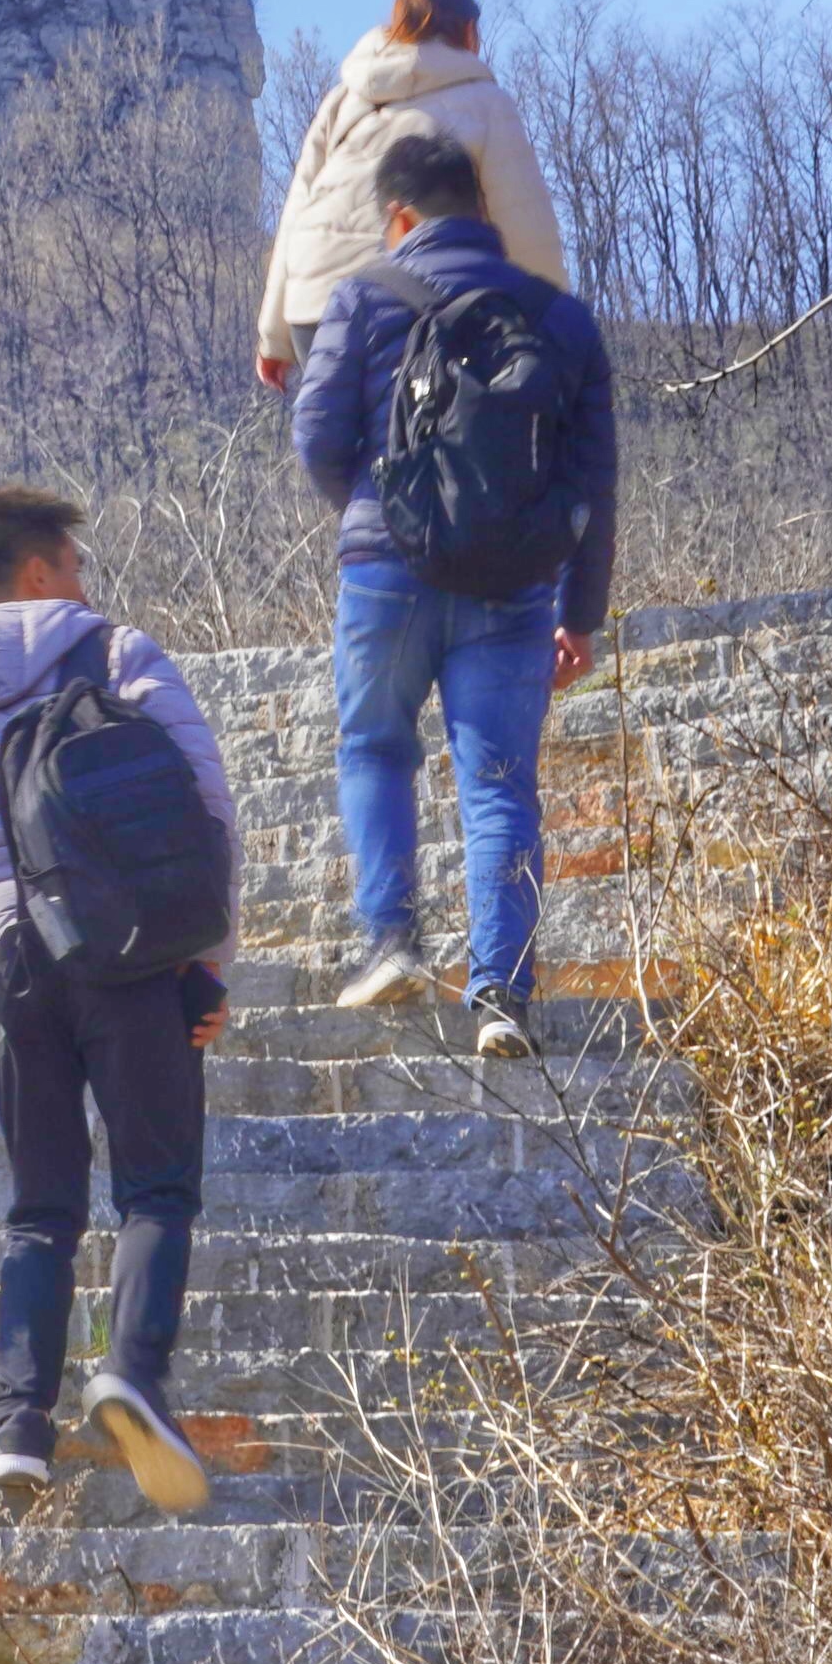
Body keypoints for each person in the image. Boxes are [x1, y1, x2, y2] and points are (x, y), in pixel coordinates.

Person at [0, 487, 238, 1512]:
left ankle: (18, 1428)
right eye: (71, 563)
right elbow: (204, 807)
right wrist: (207, 961)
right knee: (156, 1186)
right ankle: (132, 1375)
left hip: (4, 970)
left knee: (40, 1211)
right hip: (124, 942)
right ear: (36, 574)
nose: (82, 581)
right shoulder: (111, 652)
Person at [290, 129, 619, 1061]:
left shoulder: (363, 296)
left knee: (375, 747)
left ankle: (392, 942)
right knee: (502, 788)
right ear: (482, 208)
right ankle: (502, 994)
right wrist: (581, 615)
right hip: (514, 584)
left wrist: (375, 512)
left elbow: (316, 440)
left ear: (398, 218)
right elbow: (595, 481)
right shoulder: (559, 316)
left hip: (386, 572)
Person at [257, 0, 572, 391]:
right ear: (469, 32)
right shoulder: (485, 103)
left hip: (315, 311)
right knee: (429, 443)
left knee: (341, 446)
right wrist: (558, 326)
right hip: (412, 306)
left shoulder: (344, 101)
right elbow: (525, 224)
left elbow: (298, 213)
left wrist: (273, 336)